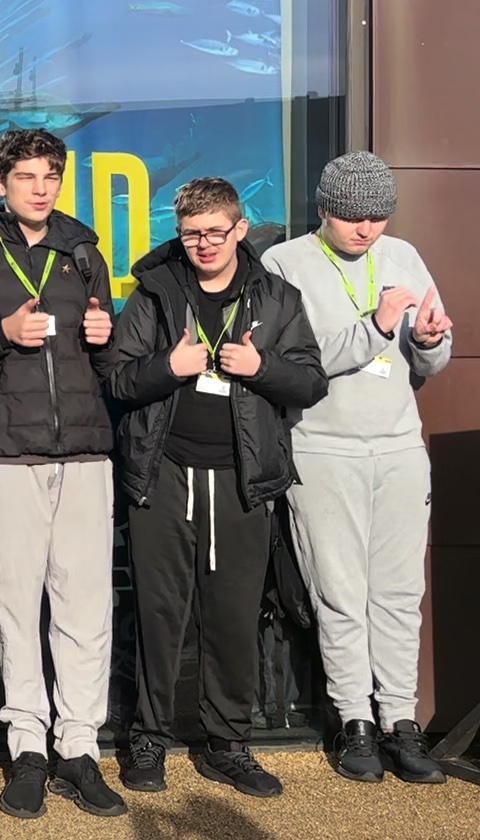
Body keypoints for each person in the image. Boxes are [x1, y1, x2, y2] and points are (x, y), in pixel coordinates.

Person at [0, 129, 123, 819]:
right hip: (3, 454)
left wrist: (106, 337)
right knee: (14, 607)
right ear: (0, 182)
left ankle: (81, 751)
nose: (40, 188)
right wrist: (0, 334)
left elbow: (106, 359)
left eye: (51, 176)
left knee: (85, 609)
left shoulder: (84, 252)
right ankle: (29, 749)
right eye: (27, 176)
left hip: (84, 452)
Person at [104, 177, 327, 799]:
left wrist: (262, 367)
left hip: (241, 481)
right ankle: (148, 738)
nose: (203, 244)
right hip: (162, 475)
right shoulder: (155, 293)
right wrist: (166, 368)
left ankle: (227, 743)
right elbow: (117, 379)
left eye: (215, 232)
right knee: (158, 615)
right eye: (191, 234)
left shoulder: (276, 297)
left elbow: (310, 382)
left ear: (239, 229)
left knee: (232, 617)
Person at [260, 152, 452, 784]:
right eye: (352, 217)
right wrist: (376, 326)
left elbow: (431, 358)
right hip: (323, 448)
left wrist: (427, 341)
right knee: (339, 593)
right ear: (323, 209)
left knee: (399, 592)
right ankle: (354, 720)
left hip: (399, 447)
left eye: (377, 216)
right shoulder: (284, 263)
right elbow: (295, 364)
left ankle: (401, 721)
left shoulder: (404, 255)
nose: (366, 229)